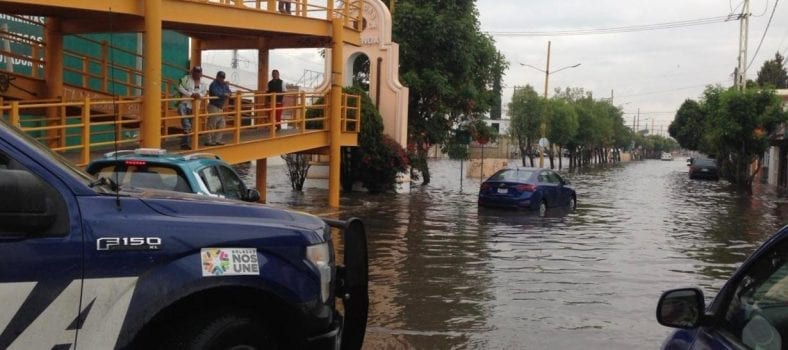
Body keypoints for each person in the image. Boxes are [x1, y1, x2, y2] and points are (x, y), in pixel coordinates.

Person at [176, 66, 208, 150]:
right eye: (195, 72)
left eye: (198, 72)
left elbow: (204, 93)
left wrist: (199, 95)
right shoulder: (186, 79)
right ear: (192, 72)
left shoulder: (204, 83)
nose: (197, 74)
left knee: (188, 126)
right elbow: (179, 87)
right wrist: (191, 94)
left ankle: (184, 143)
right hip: (185, 103)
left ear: (201, 73)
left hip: (194, 107)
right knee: (186, 123)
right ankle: (185, 140)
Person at [206, 71, 232, 146]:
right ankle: (209, 141)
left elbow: (229, 92)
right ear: (217, 76)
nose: (222, 78)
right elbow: (215, 93)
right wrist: (224, 94)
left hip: (220, 107)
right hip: (213, 106)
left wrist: (227, 94)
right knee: (212, 124)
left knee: (222, 124)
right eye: (220, 77)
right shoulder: (213, 84)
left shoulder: (224, 84)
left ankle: (217, 140)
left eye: (223, 77)